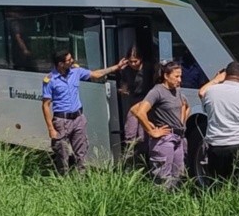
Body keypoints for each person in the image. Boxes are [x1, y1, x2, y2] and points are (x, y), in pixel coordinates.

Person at [41, 50, 128, 175]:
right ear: (60, 64)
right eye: (69, 60)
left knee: (81, 152)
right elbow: (45, 105)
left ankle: (81, 180)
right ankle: (62, 181)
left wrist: (116, 67)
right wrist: (51, 128)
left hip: (78, 119)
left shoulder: (76, 72)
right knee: (62, 154)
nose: (72, 61)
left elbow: (96, 74)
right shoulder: (50, 80)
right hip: (61, 121)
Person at [130, 61, 189, 189]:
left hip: (178, 138)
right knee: (163, 179)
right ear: (166, 76)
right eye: (176, 76)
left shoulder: (177, 91)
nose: (180, 80)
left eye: (181, 76)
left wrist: (182, 122)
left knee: (178, 177)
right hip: (165, 139)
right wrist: (151, 130)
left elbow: (185, 105)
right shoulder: (157, 91)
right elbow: (138, 111)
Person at [118, 45, 155, 167]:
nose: (133, 64)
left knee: (143, 133)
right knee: (130, 132)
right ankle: (129, 163)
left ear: (141, 59)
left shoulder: (148, 68)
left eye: (136, 61)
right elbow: (125, 84)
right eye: (131, 61)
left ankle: (144, 163)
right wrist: (123, 89)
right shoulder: (126, 70)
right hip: (133, 101)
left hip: (147, 101)